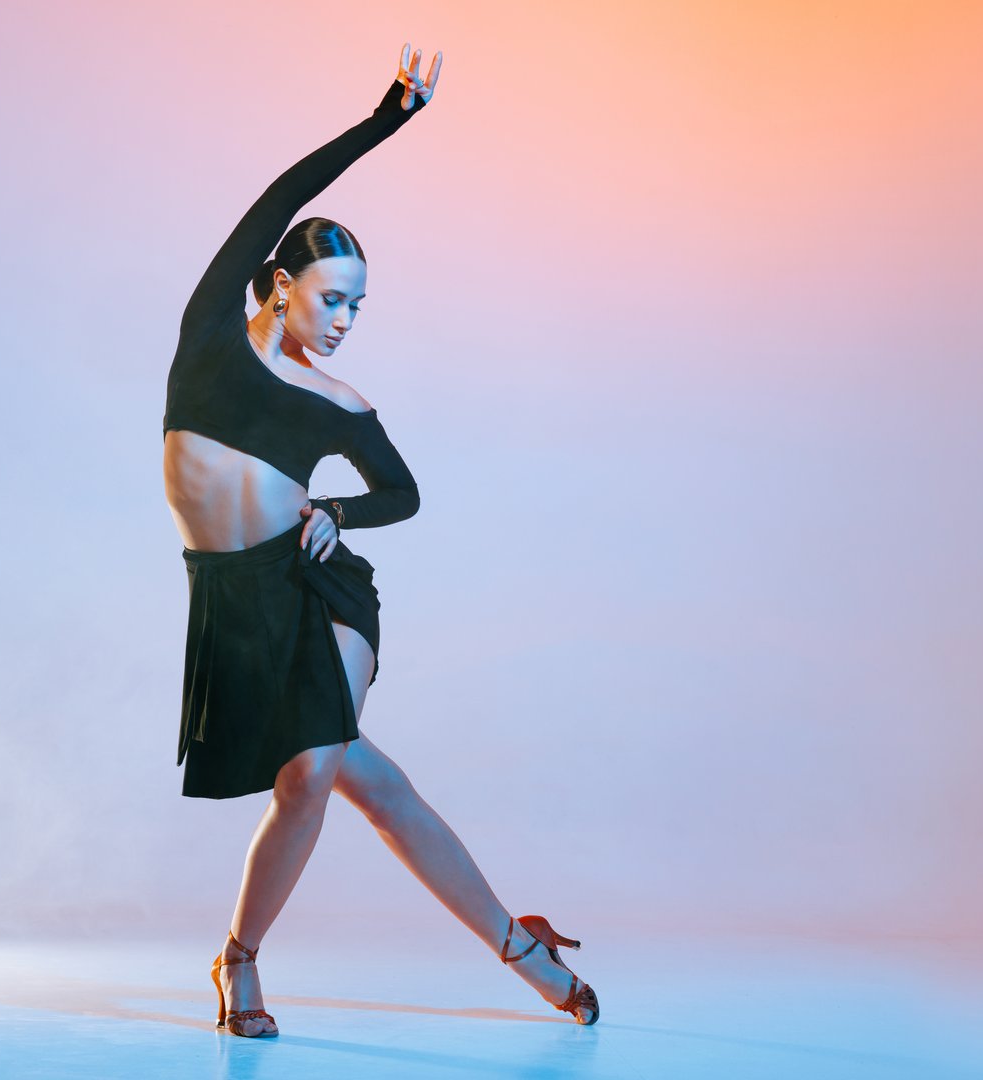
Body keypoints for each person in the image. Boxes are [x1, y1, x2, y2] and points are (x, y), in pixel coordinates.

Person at [162, 43, 598, 1036]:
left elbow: (399, 493)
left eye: (358, 304)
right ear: (276, 284)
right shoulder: (209, 337)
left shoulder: (338, 404)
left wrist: (337, 514)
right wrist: (383, 122)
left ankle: (238, 961)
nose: (346, 319)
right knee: (369, 783)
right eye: (331, 298)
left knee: (311, 769)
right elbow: (281, 193)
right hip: (227, 600)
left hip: (313, 587)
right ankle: (515, 939)